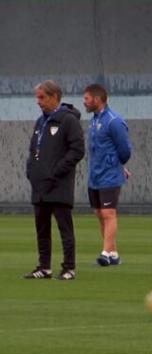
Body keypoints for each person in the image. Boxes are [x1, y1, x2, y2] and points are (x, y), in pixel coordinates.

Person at [24, 80, 85, 280]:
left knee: (64, 227)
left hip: (59, 185)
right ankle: (44, 267)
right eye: (37, 97)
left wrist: (57, 171)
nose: (38, 102)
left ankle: (69, 268)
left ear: (54, 97)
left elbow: (77, 150)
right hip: (40, 185)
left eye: (42, 97)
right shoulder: (40, 122)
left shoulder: (68, 121)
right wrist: (31, 170)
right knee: (41, 229)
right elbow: (34, 150)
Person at [83, 83, 132, 267]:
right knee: (99, 213)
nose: (84, 102)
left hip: (109, 175)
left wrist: (118, 166)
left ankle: (105, 253)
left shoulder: (114, 120)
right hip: (95, 176)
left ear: (97, 99)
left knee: (108, 212)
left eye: (86, 99)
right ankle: (113, 253)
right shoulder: (95, 120)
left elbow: (125, 149)